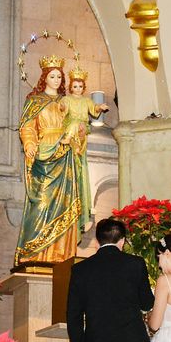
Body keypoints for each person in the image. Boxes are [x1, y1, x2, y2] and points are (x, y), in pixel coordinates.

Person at [14, 55, 83, 267]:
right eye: (52, 76)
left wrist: (79, 132)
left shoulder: (66, 103)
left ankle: (61, 255)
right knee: (41, 203)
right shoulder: (34, 101)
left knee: (64, 203)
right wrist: (30, 144)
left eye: (59, 77)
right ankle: (34, 252)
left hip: (65, 155)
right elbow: (27, 127)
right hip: (44, 154)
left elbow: (79, 124)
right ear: (44, 78)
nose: (56, 80)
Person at [59, 66, 109, 235]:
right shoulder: (67, 99)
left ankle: (74, 144)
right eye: (75, 86)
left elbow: (93, 111)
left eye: (81, 86)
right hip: (70, 128)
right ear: (70, 87)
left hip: (82, 134)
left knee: (79, 125)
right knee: (74, 124)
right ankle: (68, 140)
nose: (78, 89)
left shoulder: (86, 101)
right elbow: (61, 110)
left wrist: (99, 107)